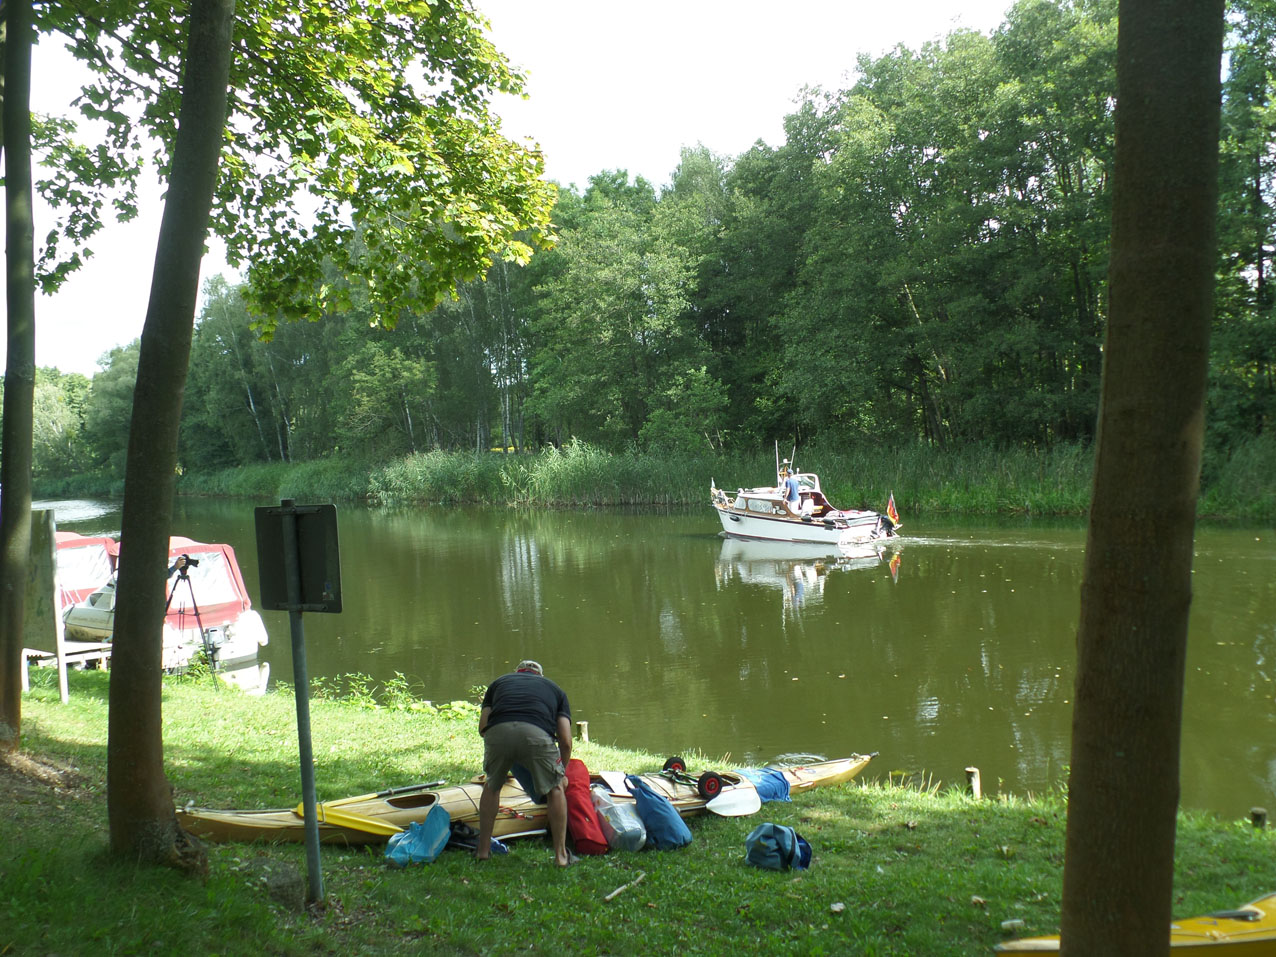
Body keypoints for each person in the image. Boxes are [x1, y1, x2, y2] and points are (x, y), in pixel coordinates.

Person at [476, 660, 573, 865]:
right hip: (536, 734)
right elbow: (565, 740)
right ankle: (561, 856)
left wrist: (504, 752)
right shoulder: (555, 690)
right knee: (555, 789)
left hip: (498, 732)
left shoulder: (498, 683)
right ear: (540, 676)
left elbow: (483, 727)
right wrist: (560, 772)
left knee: (492, 786)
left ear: (517, 673)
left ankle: (483, 851)